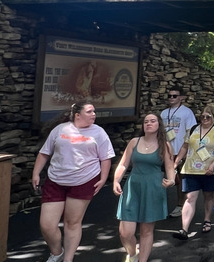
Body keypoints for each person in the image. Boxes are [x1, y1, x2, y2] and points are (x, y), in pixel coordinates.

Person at [32, 102, 115, 262]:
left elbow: (105, 158)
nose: (94, 114)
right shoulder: (60, 129)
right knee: (47, 224)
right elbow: (44, 152)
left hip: (83, 181)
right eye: (90, 111)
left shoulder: (99, 132)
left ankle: (68, 259)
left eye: (94, 111)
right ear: (77, 115)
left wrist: (103, 178)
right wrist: (36, 172)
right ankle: (57, 252)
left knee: (72, 222)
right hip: (56, 180)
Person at [114, 114, 176, 262]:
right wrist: (116, 180)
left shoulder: (165, 145)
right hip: (133, 188)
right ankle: (132, 254)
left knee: (146, 231)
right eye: (146, 121)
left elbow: (169, 167)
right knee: (125, 233)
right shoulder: (134, 142)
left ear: (158, 125)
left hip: (153, 188)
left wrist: (171, 180)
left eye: (152, 121)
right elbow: (123, 164)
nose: (148, 123)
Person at [172, 104, 214, 239]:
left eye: (208, 116)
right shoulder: (193, 130)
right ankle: (184, 228)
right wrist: (177, 161)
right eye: (202, 116)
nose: (204, 118)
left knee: (208, 197)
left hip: (208, 171)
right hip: (191, 169)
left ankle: (207, 220)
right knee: (190, 198)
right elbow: (185, 146)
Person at [161, 86, 197, 217]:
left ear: (181, 98)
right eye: (169, 95)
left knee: (181, 180)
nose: (171, 98)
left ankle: (180, 205)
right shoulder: (164, 113)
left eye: (174, 96)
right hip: (165, 151)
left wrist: (185, 150)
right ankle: (159, 205)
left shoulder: (187, 113)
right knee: (166, 178)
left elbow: (191, 132)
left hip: (180, 149)